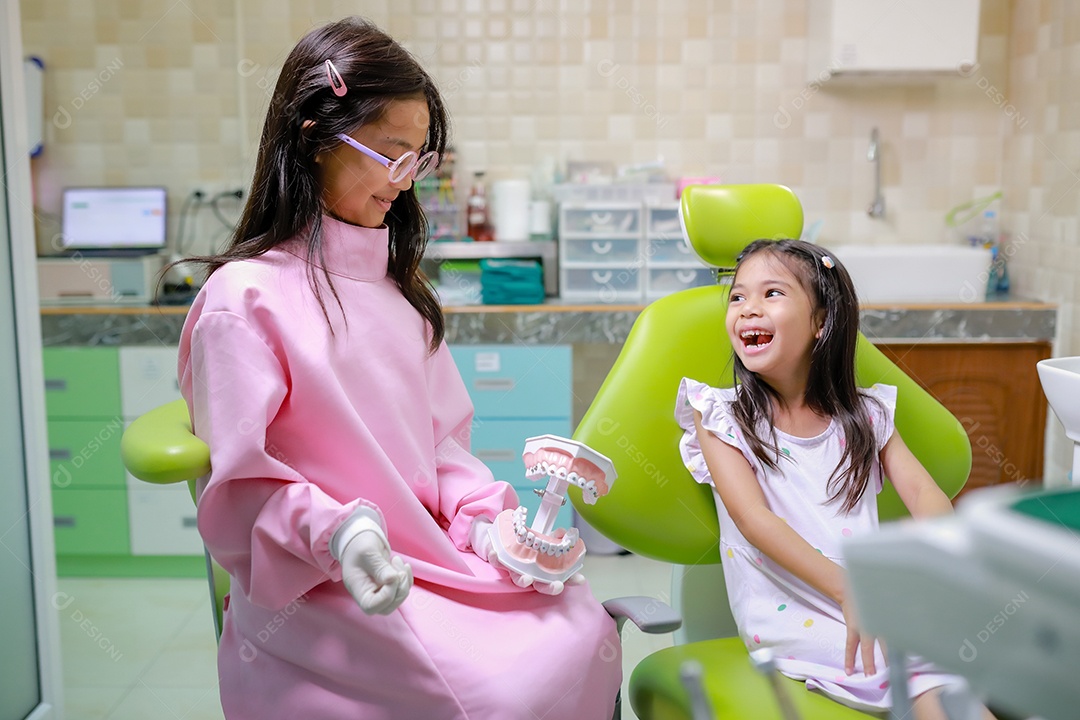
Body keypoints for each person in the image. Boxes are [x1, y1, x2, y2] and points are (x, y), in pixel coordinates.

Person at [177, 17, 620, 720]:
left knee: (582, 627)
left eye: (417, 158)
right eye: (390, 154)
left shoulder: (396, 291)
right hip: (322, 584)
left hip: (425, 556)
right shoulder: (245, 300)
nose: (405, 180)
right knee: (505, 689)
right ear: (313, 136)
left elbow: (440, 445)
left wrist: (484, 523)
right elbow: (243, 488)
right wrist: (343, 535)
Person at [675, 239, 994, 719]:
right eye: (738, 297)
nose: (748, 310)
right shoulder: (721, 414)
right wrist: (848, 591)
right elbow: (751, 517)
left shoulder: (865, 415)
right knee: (921, 657)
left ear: (821, 322)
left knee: (966, 641)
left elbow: (924, 491)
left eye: (772, 294)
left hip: (867, 589)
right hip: (789, 607)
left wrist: (944, 555)